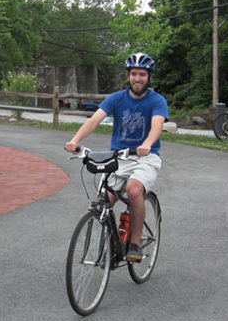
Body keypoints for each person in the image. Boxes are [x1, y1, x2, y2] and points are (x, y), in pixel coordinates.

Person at [64, 52, 168, 262]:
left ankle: (135, 244)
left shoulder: (157, 100)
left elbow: (157, 126)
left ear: (149, 77)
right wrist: (75, 141)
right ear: (128, 76)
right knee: (103, 201)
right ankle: (110, 243)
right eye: (134, 74)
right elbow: (94, 120)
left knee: (133, 189)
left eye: (142, 74)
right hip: (119, 158)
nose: (137, 78)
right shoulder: (116, 99)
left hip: (145, 158)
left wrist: (147, 144)